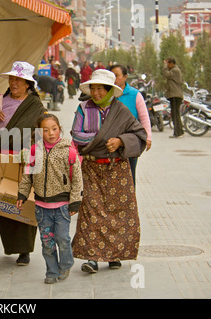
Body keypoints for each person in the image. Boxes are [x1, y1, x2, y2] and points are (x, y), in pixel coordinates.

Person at [71, 69, 147, 273]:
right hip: (91, 168)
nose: (96, 93)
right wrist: (103, 139)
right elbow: (76, 135)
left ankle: (115, 255)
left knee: (118, 213)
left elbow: (139, 134)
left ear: (109, 91)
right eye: (93, 89)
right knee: (91, 212)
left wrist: (121, 140)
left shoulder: (121, 111)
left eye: (100, 89)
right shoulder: (83, 109)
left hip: (117, 170)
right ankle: (92, 259)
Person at [0, 61, 46, 266]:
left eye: (19, 79)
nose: (14, 82)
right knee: (3, 197)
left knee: (25, 200)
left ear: (28, 83)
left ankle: (25, 250)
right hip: (1, 157)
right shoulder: (0, 101)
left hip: (25, 158)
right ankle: (11, 244)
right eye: (12, 79)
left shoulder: (35, 105)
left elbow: (41, 130)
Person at [17, 113, 83, 284]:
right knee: (47, 243)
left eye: (54, 129)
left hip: (62, 207)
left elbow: (77, 179)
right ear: (40, 132)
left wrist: (75, 200)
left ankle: (66, 263)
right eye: (45, 130)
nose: (51, 133)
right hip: (41, 207)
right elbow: (27, 176)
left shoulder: (68, 151)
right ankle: (52, 271)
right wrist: (22, 194)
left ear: (59, 129)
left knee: (62, 239)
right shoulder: (34, 151)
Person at [110, 64, 152, 186]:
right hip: (112, 141)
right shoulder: (108, 94)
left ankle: (130, 202)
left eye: (117, 75)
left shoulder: (135, 94)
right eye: (112, 76)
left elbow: (144, 117)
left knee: (129, 175)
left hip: (131, 141)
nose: (115, 79)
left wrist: (147, 137)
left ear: (125, 77)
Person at [163, 57, 184, 138]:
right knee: (176, 114)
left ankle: (177, 133)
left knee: (175, 114)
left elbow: (166, 74)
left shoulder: (175, 70)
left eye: (168, 63)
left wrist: (164, 65)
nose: (167, 65)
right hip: (174, 95)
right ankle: (180, 131)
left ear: (172, 63)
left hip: (176, 95)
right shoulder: (175, 70)